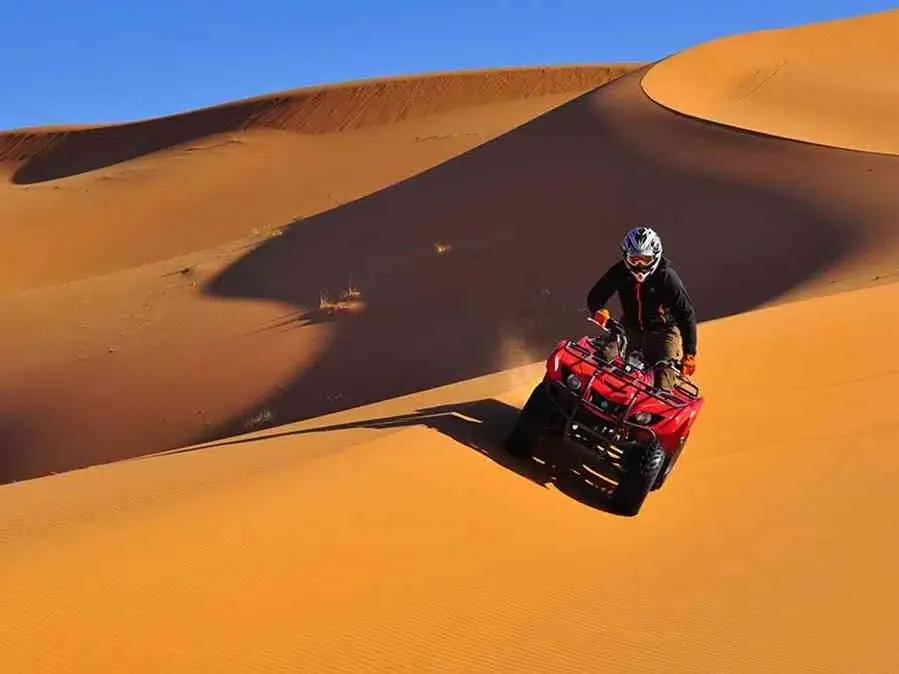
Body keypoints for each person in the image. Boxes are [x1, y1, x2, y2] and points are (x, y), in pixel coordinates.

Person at [586, 225, 697, 390]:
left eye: (645, 259)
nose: (639, 265)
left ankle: (649, 413)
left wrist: (689, 353)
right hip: (628, 327)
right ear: (626, 257)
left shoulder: (667, 278)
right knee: (602, 357)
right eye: (634, 259)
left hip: (663, 332)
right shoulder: (620, 272)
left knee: (664, 381)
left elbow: (686, 314)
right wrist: (599, 311)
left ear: (655, 257)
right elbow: (595, 296)